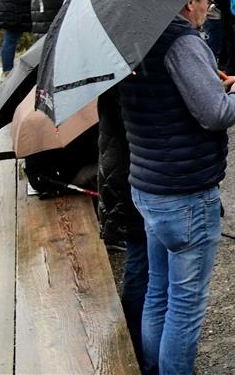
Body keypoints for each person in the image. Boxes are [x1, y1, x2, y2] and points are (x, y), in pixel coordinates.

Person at [119, 0, 235, 375]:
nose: (208, 12)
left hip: (149, 185)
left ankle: (152, 367)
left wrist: (219, 87)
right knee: (184, 306)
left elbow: (169, 98)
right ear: (187, 2)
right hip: (185, 194)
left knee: (158, 294)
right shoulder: (182, 41)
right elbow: (214, 115)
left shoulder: (139, 36)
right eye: (208, 4)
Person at [97, 87, 147, 363]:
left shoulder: (113, 75)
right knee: (140, 265)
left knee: (139, 262)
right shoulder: (125, 80)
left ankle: (138, 341)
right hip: (129, 179)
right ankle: (136, 348)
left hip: (119, 175)